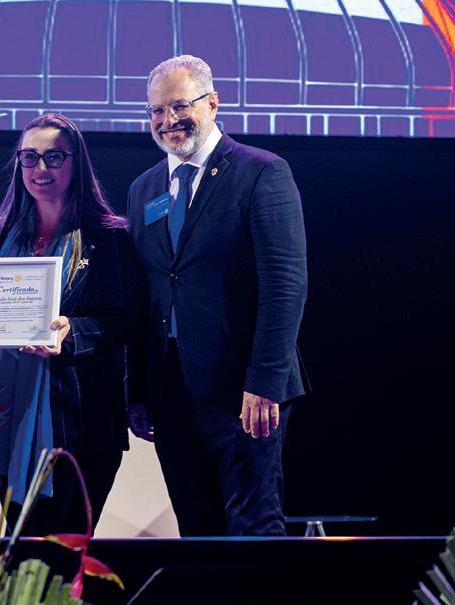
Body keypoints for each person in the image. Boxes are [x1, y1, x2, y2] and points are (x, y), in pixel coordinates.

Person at [127, 56, 308, 536]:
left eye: (179, 106)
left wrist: (265, 382)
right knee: (196, 530)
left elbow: (285, 283)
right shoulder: (144, 190)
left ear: (212, 103)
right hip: (172, 391)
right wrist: (139, 391)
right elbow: (147, 294)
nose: (168, 120)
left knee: (254, 525)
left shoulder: (261, 172)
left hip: (243, 389)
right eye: (156, 111)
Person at [0, 113, 143, 535]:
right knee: (22, 550)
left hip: (84, 420)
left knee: (66, 548)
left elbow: (130, 320)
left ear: (76, 163)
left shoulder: (109, 237)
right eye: (29, 157)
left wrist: (71, 332)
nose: (40, 168)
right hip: (8, 416)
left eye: (54, 157)